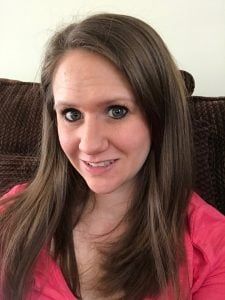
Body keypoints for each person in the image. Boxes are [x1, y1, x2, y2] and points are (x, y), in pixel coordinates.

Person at [0, 13, 225, 300]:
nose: (90, 144)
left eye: (117, 111)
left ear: (160, 117)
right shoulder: (10, 219)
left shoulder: (211, 248)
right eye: (72, 114)